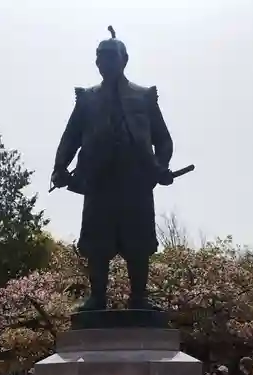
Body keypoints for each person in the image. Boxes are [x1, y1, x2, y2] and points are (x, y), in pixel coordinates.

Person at [50, 26, 174, 311]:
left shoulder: (144, 97)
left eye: (112, 58)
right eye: (101, 58)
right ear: (96, 63)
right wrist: (60, 167)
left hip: (136, 180)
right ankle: (97, 298)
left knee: (139, 240)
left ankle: (139, 298)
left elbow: (163, 139)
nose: (106, 63)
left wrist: (161, 166)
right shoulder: (87, 99)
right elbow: (70, 138)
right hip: (99, 180)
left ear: (124, 60)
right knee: (97, 241)